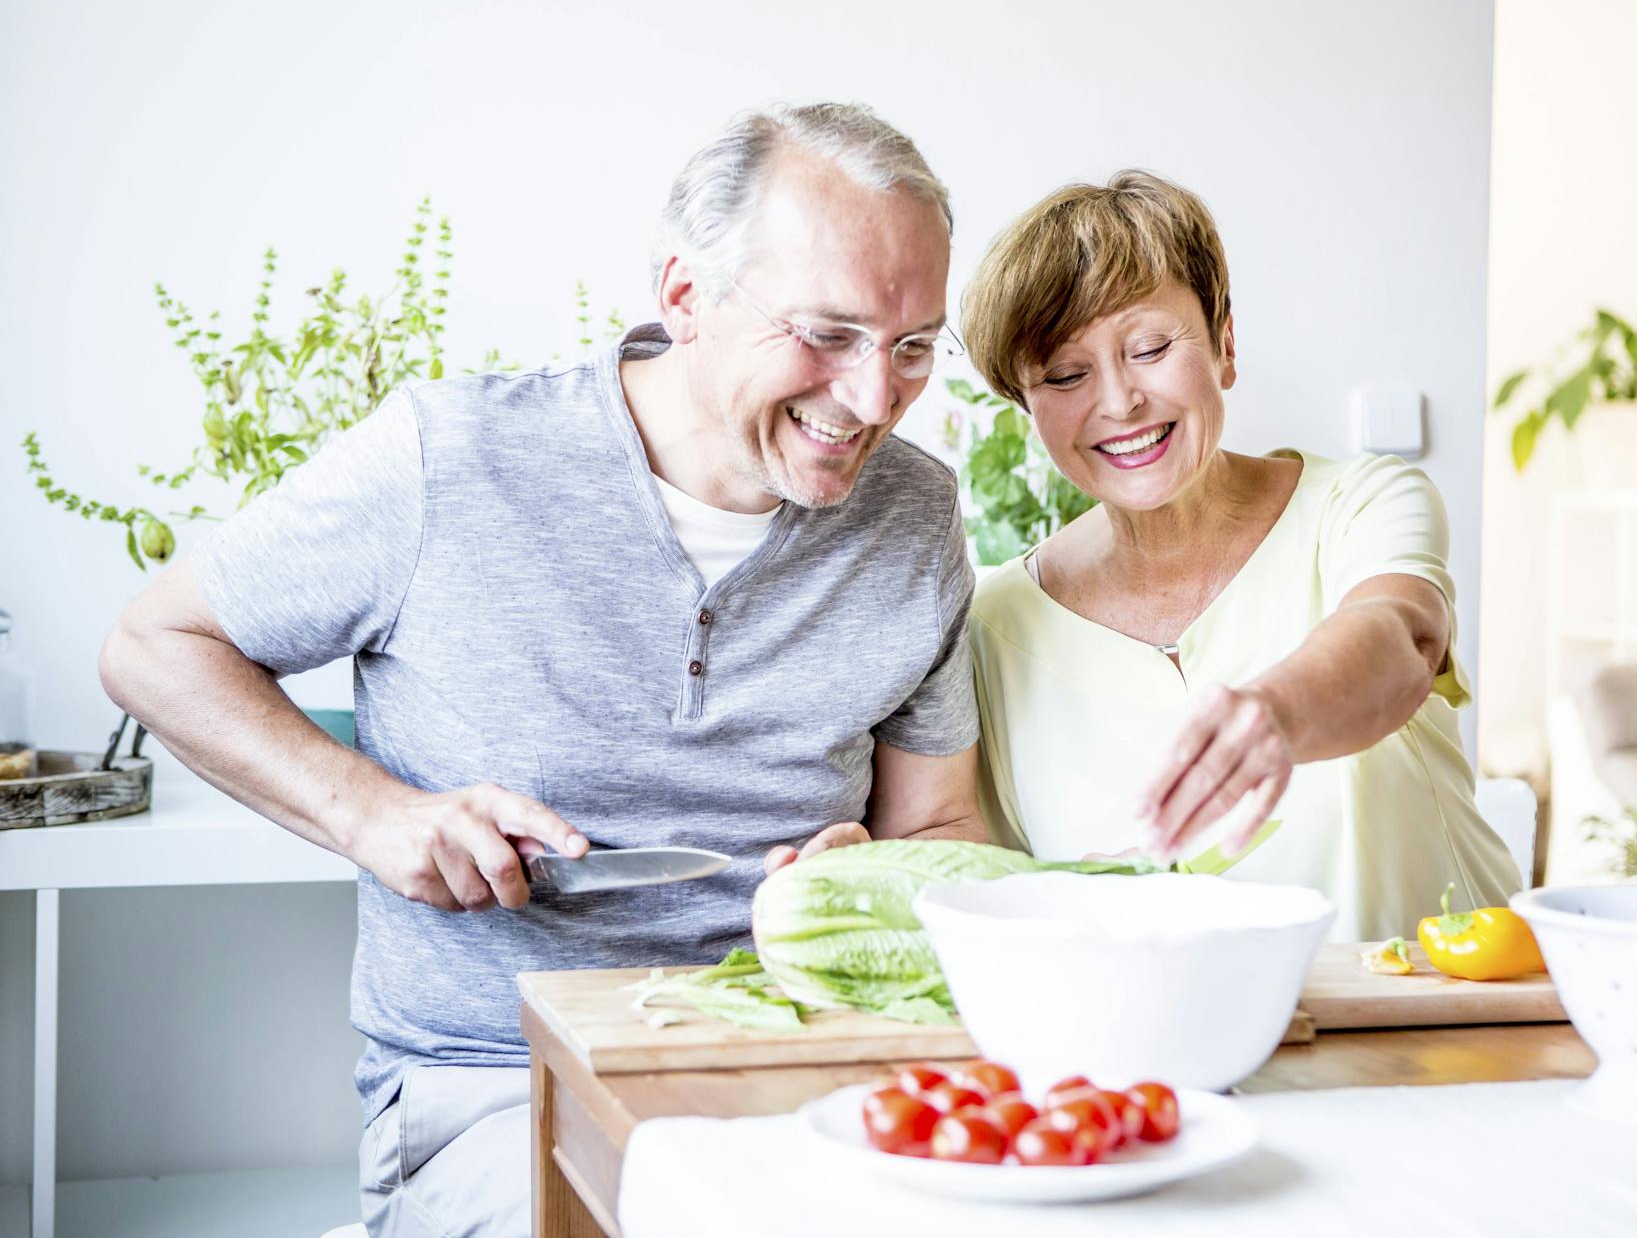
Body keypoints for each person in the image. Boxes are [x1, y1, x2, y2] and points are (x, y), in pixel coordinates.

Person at [98, 103, 984, 1236]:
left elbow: (939, 828)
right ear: (684, 299)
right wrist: (376, 815)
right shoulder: (451, 458)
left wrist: (877, 885)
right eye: (827, 333)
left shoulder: (914, 517)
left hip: (802, 1073)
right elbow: (153, 645)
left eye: (911, 346)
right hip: (493, 1087)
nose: (872, 399)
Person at [960, 169, 1519, 942]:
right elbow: (988, 893)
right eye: (1065, 373)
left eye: (1150, 346)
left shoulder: (1357, 505)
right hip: (1162, 1056)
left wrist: (1279, 713)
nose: (1120, 401)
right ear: (1030, 407)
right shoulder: (991, 626)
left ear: (1225, 344)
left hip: (1439, 1034)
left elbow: (1404, 636)